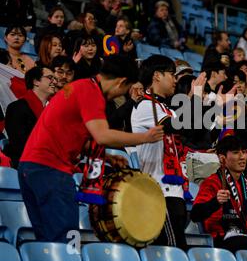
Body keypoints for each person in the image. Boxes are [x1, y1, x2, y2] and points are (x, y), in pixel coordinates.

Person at [18, 55, 165, 242]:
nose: (120, 96)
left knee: (47, 244)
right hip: (51, 170)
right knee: (67, 242)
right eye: (124, 91)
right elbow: (102, 135)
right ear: (121, 82)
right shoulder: (91, 91)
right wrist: (145, 137)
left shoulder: (80, 87)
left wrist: (108, 159)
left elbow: (73, 137)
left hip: (30, 168)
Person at [131, 54, 188, 249]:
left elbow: (191, 129)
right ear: (157, 76)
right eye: (172, 74)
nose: (175, 80)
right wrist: (195, 98)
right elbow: (175, 126)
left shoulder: (165, 109)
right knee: (174, 252)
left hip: (174, 190)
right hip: (157, 191)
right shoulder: (146, 106)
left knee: (175, 251)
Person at [191, 135, 247, 252]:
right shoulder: (211, 183)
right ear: (222, 158)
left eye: (243, 152)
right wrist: (216, 201)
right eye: (235, 152)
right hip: (222, 239)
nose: (242, 157)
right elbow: (195, 215)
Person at [4, 66, 56, 168]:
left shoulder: (54, 109)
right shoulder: (16, 108)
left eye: (55, 79)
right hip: (25, 163)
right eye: (50, 78)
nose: (54, 82)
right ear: (36, 81)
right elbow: (18, 144)